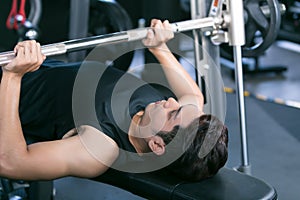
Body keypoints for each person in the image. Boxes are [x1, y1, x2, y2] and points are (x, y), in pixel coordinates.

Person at [0, 19, 228, 182]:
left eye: (172, 113)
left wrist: (13, 76)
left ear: (157, 145)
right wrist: (160, 49)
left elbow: (10, 162)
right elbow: (194, 97)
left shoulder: (99, 149)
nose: (170, 100)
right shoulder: (175, 121)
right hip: (27, 67)